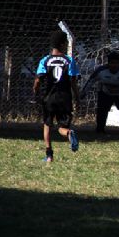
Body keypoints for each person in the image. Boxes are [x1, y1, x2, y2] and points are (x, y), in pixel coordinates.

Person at [33, 30, 81, 162]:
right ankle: (69, 133)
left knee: (47, 125)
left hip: (49, 98)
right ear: (62, 44)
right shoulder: (69, 61)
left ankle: (49, 155)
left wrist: (35, 90)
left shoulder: (45, 60)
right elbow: (73, 82)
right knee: (62, 127)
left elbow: (38, 79)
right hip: (65, 98)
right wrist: (77, 97)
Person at [81, 51, 119, 134]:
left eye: (116, 63)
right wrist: (83, 93)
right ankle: (100, 129)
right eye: (112, 63)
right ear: (108, 63)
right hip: (105, 93)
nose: (114, 65)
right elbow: (91, 81)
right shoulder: (101, 71)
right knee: (102, 110)